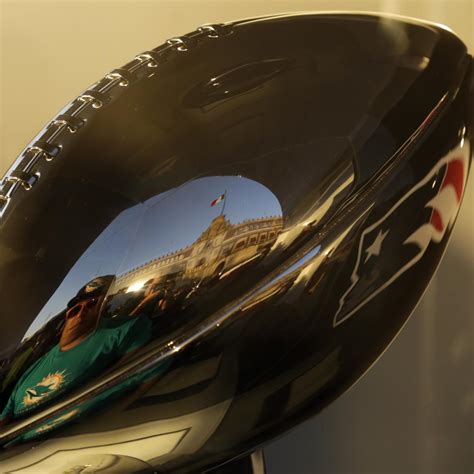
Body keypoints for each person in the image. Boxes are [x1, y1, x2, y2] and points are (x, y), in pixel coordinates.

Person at [0, 275, 155, 425]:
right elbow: (6, 414)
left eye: (92, 304)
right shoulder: (34, 367)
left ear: (103, 305)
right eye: (75, 309)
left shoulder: (125, 329)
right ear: (67, 314)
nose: (81, 312)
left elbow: (143, 374)